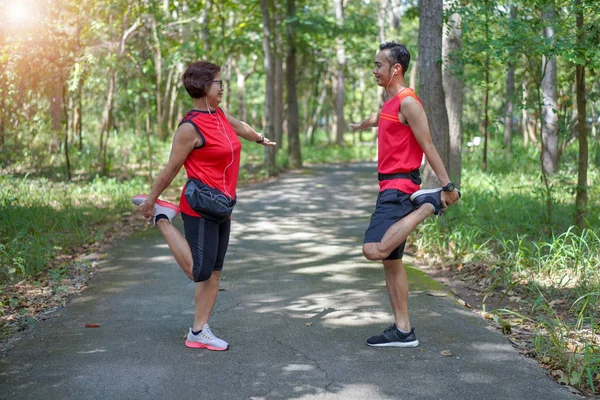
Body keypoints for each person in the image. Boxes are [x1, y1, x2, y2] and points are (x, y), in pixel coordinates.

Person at [133, 60, 275, 351]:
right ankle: (162, 217)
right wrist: (150, 200)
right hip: (199, 206)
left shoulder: (219, 115)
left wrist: (259, 139)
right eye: (218, 83)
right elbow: (172, 167)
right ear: (203, 86)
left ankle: (199, 331)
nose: (222, 88)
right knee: (199, 271)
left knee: (215, 271)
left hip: (222, 205)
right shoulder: (190, 127)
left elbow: (241, 127)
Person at [349, 42, 460, 348]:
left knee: (374, 250)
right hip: (388, 186)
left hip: (399, 189)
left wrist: (447, 187)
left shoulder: (409, 102)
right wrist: (363, 123)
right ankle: (403, 330)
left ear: (395, 69)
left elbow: (428, 145)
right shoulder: (390, 102)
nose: (374, 70)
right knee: (393, 263)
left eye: (378, 65)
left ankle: (428, 205)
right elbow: (381, 118)